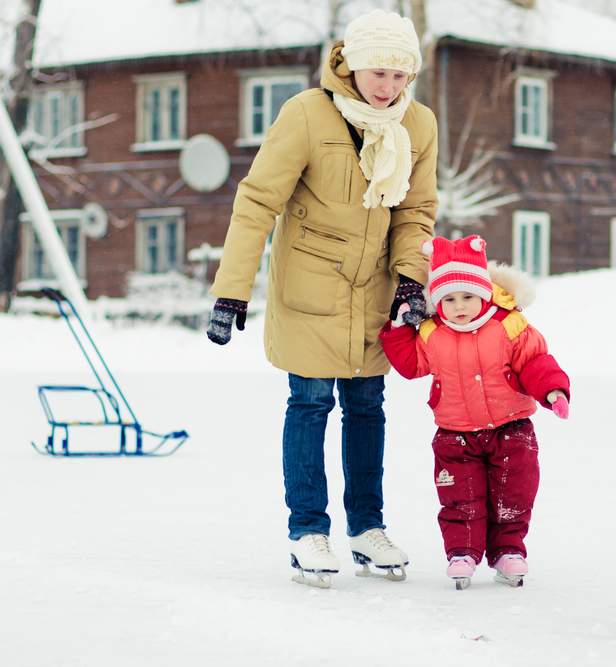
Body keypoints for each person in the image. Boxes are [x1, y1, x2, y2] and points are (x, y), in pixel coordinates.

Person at [205, 9, 439, 587]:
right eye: (377, 73)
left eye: (399, 75)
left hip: (376, 292)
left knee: (367, 410)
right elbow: (258, 201)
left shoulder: (420, 124)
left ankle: (366, 528)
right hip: (309, 288)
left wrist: (412, 280)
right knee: (310, 405)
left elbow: (416, 213)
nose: (388, 87)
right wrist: (232, 292)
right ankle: (308, 530)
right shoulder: (307, 113)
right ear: (351, 64)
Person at [378, 235, 571, 589]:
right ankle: (462, 553)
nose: (460, 306)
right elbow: (409, 365)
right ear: (438, 301)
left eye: (467, 296)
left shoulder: (509, 325)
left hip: (511, 429)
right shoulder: (431, 333)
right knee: (460, 498)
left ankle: (509, 550)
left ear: (484, 293)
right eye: (449, 299)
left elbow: (534, 363)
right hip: (455, 433)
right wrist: (398, 329)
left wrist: (553, 389)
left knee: (514, 493)